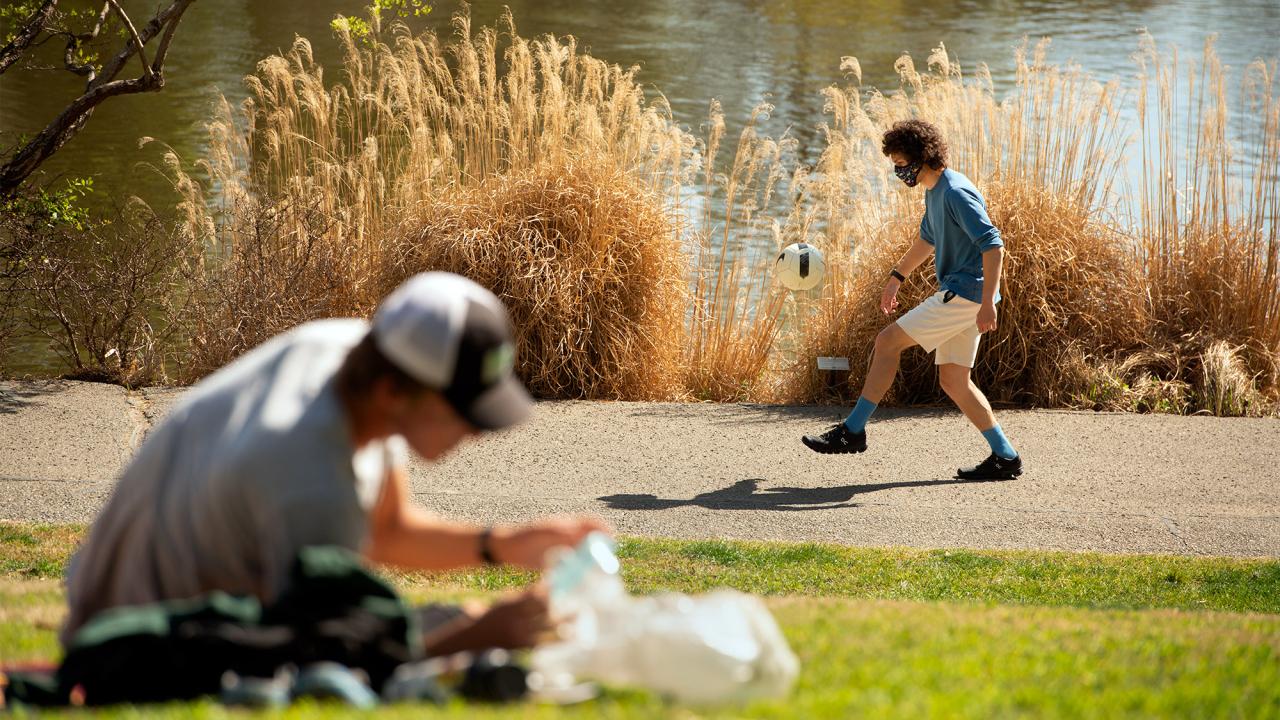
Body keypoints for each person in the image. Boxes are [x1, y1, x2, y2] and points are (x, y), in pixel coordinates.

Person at [61, 271, 609, 654]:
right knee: (460, 632)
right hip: (139, 641)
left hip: (173, 608)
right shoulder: (309, 475)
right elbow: (325, 656)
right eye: (463, 411)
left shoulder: (349, 353)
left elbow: (386, 530)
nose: (476, 432)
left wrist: (505, 544)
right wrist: (485, 634)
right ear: (396, 391)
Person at [802, 119, 1023, 480]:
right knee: (954, 381)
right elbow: (927, 240)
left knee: (887, 342)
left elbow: (994, 246)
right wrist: (896, 277)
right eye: (895, 165)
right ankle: (1005, 456)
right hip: (966, 296)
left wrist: (988, 302)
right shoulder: (935, 190)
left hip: (964, 296)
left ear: (923, 157)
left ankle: (852, 431)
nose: (899, 171)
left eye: (903, 164)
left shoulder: (955, 193)